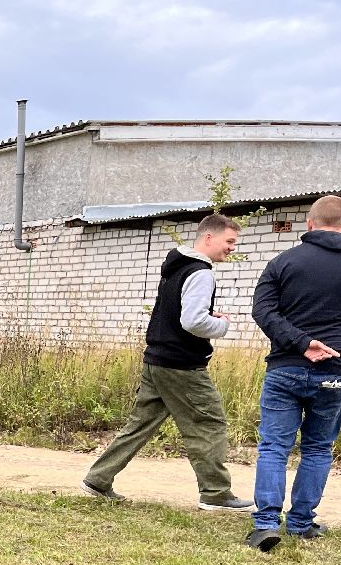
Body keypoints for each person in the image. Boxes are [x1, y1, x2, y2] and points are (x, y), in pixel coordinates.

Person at [81, 214, 253, 511]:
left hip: (156, 360)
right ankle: (215, 494)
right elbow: (192, 321)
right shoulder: (201, 272)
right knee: (209, 423)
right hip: (181, 365)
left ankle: (98, 478)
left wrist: (206, 317)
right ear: (208, 238)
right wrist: (221, 325)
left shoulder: (176, 266)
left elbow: (176, 314)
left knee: (140, 424)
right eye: (229, 241)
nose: (232, 248)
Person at [245, 195, 341, 551]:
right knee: (318, 447)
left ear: (309, 224)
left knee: (274, 447)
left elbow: (262, 311)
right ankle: (301, 523)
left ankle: (265, 524)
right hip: (335, 370)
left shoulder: (282, 262)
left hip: (286, 367)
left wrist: (302, 342)